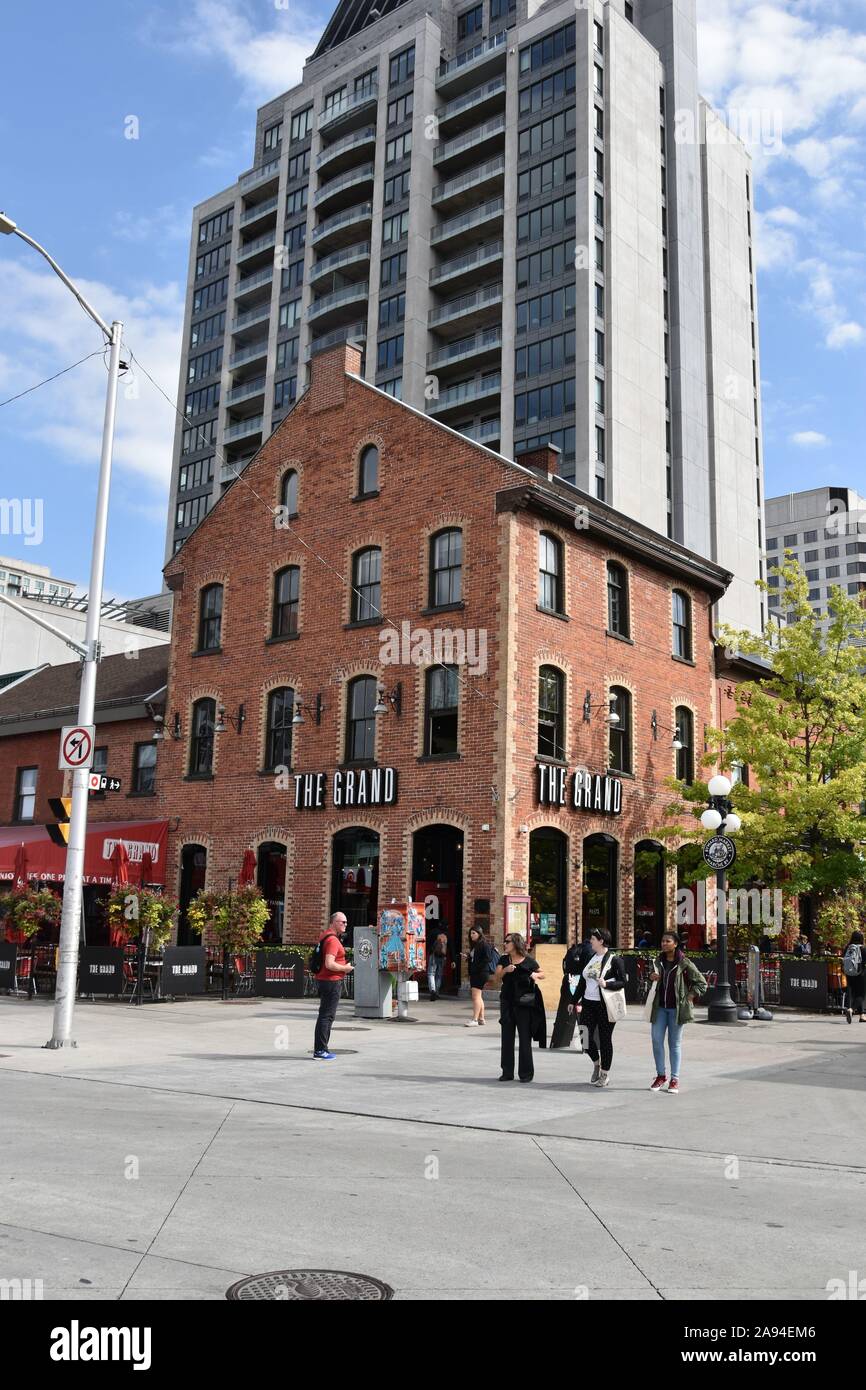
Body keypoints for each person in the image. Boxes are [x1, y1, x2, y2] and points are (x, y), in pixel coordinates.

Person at [648, 928, 708, 1093]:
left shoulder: (684, 962)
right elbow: (653, 977)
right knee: (656, 1040)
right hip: (659, 1008)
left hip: (676, 1010)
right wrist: (651, 976)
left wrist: (689, 996)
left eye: (668, 941)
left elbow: (701, 983)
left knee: (674, 1044)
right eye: (662, 941)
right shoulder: (658, 961)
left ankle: (675, 1079)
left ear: (675, 944)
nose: (664, 944)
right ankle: (661, 1076)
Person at [573, 927, 626, 1088]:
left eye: (593, 939)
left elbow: (623, 981)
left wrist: (607, 983)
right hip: (588, 1003)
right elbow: (583, 981)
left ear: (601, 941)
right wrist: (573, 1000)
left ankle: (605, 1074)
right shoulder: (591, 957)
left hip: (605, 1005)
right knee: (585, 1037)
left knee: (604, 1040)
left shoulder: (615, 960)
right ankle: (596, 1063)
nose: (591, 941)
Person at [494, 932, 545, 1082]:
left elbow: (542, 973)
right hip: (507, 1002)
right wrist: (505, 970)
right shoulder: (504, 959)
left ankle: (526, 1074)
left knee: (524, 1038)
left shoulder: (529, 961)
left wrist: (535, 976)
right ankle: (507, 1072)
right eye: (504, 941)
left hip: (524, 1004)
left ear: (516, 943)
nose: (505, 943)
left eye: (507, 941)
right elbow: (496, 977)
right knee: (507, 1037)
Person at [313, 912, 353, 1060]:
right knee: (327, 1016)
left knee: (325, 1015)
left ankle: (321, 1049)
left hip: (325, 981)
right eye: (342, 922)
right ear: (333, 922)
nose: (345, 924)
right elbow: (329, 963)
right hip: (331, 981)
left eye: (346, 922)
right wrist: (345, 968)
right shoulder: (332, 940)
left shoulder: (325, 936)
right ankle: (320, 1051)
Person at [550, 931, 593, 1049]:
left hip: (569, 981)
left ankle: (558, 1042)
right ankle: (587, 1044)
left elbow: (564, 965)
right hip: (583, 984)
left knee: (564, 1014)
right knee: (584, 1016)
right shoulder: (590, 950)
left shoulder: (575, 949)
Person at [464, 925, 497, 1026]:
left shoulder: (484, 944)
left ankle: (474, 1020)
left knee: (475, 997)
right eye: (471, 933)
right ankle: (481, 1019)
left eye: (474, 933)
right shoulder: (476, 945)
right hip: (477, 972)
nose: (472, 935)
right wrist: (469, 957)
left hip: (481, 973)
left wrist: (477, 967)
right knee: (478, 996)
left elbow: (488, 958)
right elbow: (477, 958)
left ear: (479, 933)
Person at [843, 930, 865, 1024]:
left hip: (849, 973)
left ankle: (862, 1015)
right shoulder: (863, 948)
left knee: (853, 993)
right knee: (861, 995)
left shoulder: (848, 947)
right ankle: (851, 1009)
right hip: (861, 973)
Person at [427, 930, 449, 1000]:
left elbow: (428, 942)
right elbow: (450, 947)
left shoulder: (433, 932)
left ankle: (433, 990)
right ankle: (437, 992)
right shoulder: (446, 935)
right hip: (442, 957)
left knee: (431, 974)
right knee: (439, 975)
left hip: (433, 956)